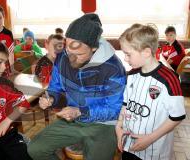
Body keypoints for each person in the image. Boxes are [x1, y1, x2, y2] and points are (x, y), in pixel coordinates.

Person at [27, 13, 126, 160]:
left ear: (94, 48)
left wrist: (81, 111)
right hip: (72, 120)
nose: (71, 58)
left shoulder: (113, 68)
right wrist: (51, 98)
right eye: (69, 50)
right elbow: (55, 87)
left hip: (103, 124)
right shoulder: (62, 57)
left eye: (78, 54)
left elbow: (114, 110)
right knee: (35, 149)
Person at [116, 24, 186, 160]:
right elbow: (125, 104)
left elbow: (177, 116)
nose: (125, 58)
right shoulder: (131, 75)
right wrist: (118, 126)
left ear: (146, 52)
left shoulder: (169, 79)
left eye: (128, 54)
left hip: (154, 150)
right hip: (129, 144)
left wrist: (149, 139)